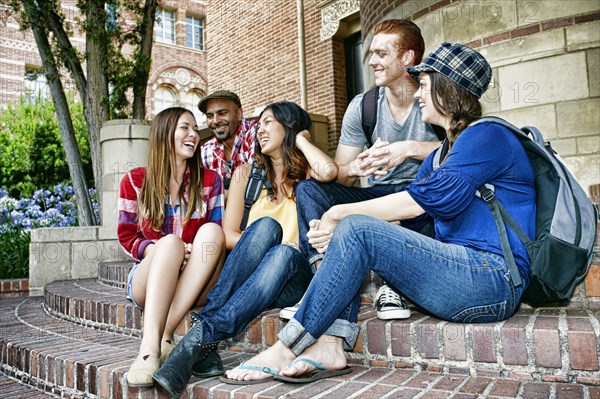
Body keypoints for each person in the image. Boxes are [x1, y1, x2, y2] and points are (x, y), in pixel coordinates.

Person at [223, 42, 536, 385]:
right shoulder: (439, 155)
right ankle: (329, 344)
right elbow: (413, 206)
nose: (418, 94)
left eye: (426, 86)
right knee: (355, 230)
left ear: (447, 90)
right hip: (455, 276)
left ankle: (288, 346)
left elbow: (422, 201)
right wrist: (341, 226)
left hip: (491, 281)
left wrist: (337, 214)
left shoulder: (488, 134)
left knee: (357, 227)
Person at [153, 101, 338, 395]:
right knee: (266, 228)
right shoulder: (244, 175)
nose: (259, 129)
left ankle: (198, 339)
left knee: (285, 253)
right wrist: (272, 246)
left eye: (267, 122)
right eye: (258, 124)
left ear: (289, 127)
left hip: (298, 277)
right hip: (259, 275)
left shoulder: (308, 175)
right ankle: (203, 342)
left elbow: (329, 171)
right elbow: (227, 235)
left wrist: (302, 139)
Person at [284, 19, 442, 322]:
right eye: (371, 53)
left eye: (381, 54)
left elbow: (466, 150)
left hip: (419, 195)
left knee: (435, 203)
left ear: (407, 58)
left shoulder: (435, 95)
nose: (371, 62)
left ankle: (393, 285)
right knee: (310, 189)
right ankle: (323, 277)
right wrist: (355, 166)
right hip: (377, 193)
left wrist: (408, 148)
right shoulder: (364, 106)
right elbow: (341, 175)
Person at [118, 107, 225, 387]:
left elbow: (215, 238)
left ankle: (164, 334)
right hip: (151, 277)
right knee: (169, 244)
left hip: (196, 278)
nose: (194, 135)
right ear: (165, 133)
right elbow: (126, 235)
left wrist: (189, 253)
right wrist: (163, 250)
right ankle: (149, 349)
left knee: (213, 232)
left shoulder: (211, 180)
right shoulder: (134, 181)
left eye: (194, 129)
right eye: (185, 128)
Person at [199, 90, 257, 195]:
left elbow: (256, 185)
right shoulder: (205, 151)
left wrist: (219, 196)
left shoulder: (257, 133)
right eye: (210, 116)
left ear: (239, 114)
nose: (215, 121)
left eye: (222, 113)